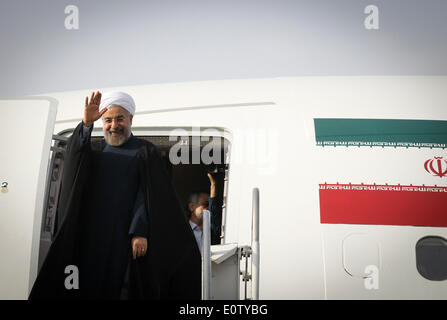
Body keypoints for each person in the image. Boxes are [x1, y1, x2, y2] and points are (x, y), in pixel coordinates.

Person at [29, 91, 201, 300]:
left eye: (120, 118)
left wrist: (140, 231)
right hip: (92, 239)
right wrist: (85, 125)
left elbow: (148, 194)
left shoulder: (145, 151)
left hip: (125, 240)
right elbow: (75, 159)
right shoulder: (96, 150)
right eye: (108, 120)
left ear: (130, 119)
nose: (114, 125)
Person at [186, 173, 223, 252]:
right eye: (205, 204)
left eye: (210, 205)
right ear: (192, 207)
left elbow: (214, 216)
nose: (208, 209)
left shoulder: (213, 232)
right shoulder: (182, 230)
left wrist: (213, 185)